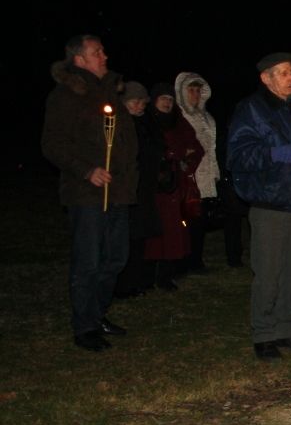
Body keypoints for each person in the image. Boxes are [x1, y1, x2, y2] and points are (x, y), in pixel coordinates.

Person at [227, 52, 291, 360]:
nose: (289, 78)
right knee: (269, 271)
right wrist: (275, 154)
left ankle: (285, 328)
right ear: (266, 78)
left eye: (290, 72)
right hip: (269, 202)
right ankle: (264, 332)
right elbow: (238, 156)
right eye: (282, 73)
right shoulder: (252, 110)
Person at [41, 34, 139, 352]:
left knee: (116, 258)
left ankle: (96, 314)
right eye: (97, 52)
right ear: (79, 59)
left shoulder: (110, 90)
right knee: (89, 262)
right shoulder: (66, 95)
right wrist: (87, 170)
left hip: (119, 191)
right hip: (87, 194)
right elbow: (53, 143)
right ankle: (84, 326)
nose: (104, 56)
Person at [144, 82, 204, 291]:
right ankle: (149, 274)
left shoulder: (179, 122)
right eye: (163, 99)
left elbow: (195, 148)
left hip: (176, 185)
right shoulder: (148, 121)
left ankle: (168, 273)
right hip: (153, 187)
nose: (167, 103)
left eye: (170, 99)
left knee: (174, 231)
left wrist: (185, 161)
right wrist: (174, 154)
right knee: (154, 231)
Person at [114, 81, 161, 299]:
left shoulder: (146, 123)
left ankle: (138, 280)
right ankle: (123, 285)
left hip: (144, 189)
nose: (140, 105)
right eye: (135, 101)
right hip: (126, 189)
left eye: (143, 101)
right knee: (127, 238)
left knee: (141, 236)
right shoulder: (120, 124)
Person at [175, 72, 221, 274]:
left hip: (205, 174)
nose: (194, 95)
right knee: (186, 219)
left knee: (200, 220)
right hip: (188, 176)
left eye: (197, 90)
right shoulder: (179, 117)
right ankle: (183, 260)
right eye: (190, 90)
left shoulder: (207, 117)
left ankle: (196, 259)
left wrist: (215, 173)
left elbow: (212, 148)